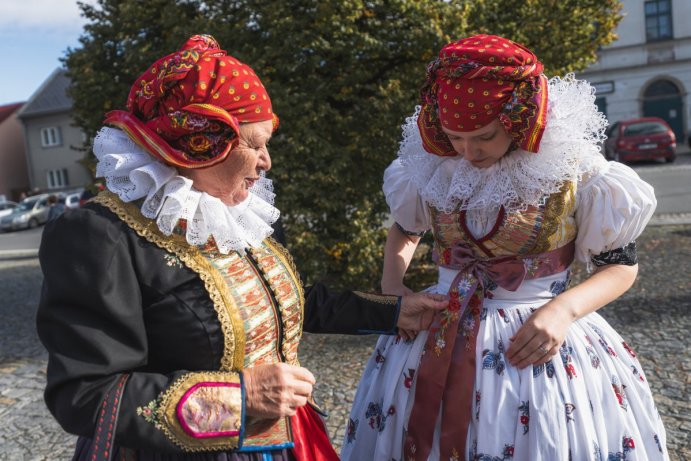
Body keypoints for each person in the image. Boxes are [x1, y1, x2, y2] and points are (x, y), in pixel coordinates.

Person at [36, 34, 448, 461]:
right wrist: (239, 397)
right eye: (253, 143)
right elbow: (84, 394)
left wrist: (395, 311)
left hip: (287, 440)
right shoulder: (99, 235)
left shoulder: (243, 213)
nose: (266, 160)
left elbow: (287, 302)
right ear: (197, 143)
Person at [341, 34, 669, 461]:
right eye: (455, 136)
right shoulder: (434, 166)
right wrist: (393, 284)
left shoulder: (574, 171)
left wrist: (564, 310)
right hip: (436, 331)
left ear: (519, 119)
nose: (467, 150)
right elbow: (406, 230)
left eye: (483, 136)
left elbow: (621, 266)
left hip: (536, 341)